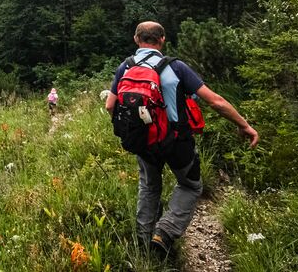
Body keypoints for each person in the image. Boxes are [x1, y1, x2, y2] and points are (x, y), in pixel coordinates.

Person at [105, 21, 258, 257]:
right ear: (162, 40)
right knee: (190, 185)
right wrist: (244, 125)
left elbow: (110, 105)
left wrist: (138, 127)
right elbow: (215, 101)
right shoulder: (176, 67)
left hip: (144, 142)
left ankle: (144, 245)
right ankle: (164, 233)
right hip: (177, 142)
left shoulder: (125, 67)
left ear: (137, 39)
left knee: (148, 187)